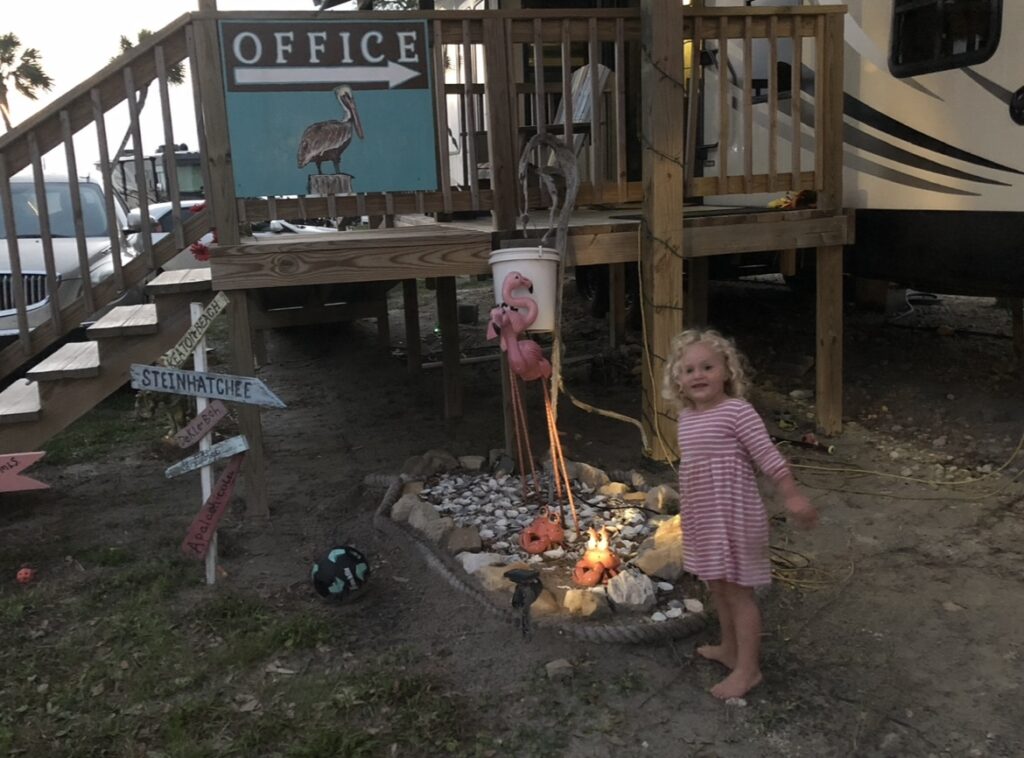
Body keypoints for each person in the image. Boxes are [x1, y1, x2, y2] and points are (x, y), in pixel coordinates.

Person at [662, 328, 817, 700]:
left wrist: (791, 494)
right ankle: (730, 649)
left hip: (734, 517)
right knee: (717, 586)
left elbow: (768, 456)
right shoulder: (686, 418)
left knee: (738, 593)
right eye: (689, 370)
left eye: (708, 367)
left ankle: (749, 670)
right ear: (678, 380)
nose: (698, 375)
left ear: (727, 372)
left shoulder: (737, 411)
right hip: (704, 518)